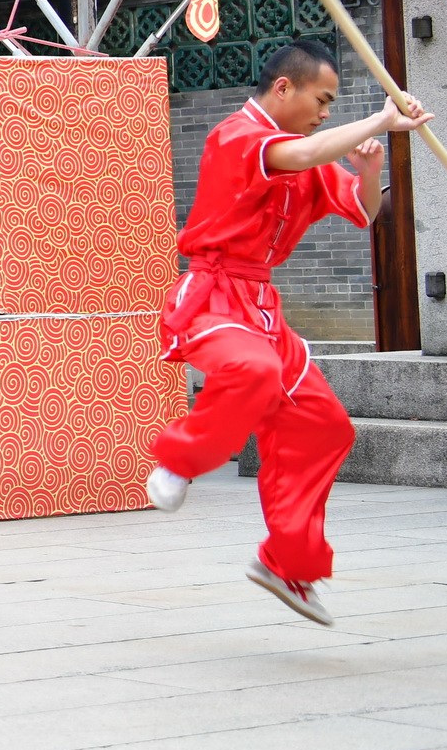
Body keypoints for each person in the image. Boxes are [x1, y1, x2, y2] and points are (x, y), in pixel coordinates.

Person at [146, 38, 430, 624]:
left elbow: (363, 211)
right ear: (284, 89)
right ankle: (181, 457)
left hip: (263, 310)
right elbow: (302, 158)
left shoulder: (305, 151)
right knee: (254, 372)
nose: (326, 112)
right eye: (322, 99)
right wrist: (380, 118)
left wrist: (373, 167)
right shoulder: (237, 138)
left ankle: (285, 563)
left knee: (326, 428)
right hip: (216, 295)